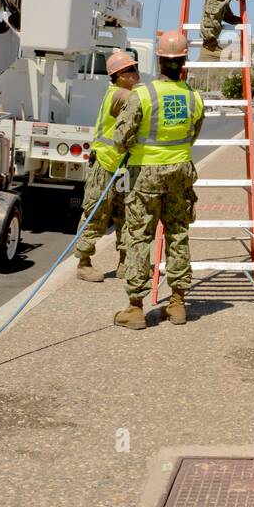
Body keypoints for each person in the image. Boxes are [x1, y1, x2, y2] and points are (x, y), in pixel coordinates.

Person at [110, 30, 205, 330]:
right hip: (180, 172)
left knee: (139, 236)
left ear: (160, 60)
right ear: (183, 62)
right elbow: (193, 134)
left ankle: (136, 308)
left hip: (145, 176)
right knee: (178, 233)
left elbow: (121, 138)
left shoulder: (143, 94)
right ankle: (177, 303)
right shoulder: (194, 97)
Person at [75, 49, 139, 282]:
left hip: (123, 166)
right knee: (95, 213)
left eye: (135, 68)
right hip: (105, 163)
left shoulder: (127, 92)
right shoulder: (118, 94)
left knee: (127, 216)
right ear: (120, 75)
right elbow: (138, 100)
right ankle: (83, 262)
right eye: (131, 69)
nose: (137, 72)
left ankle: (124, 261)